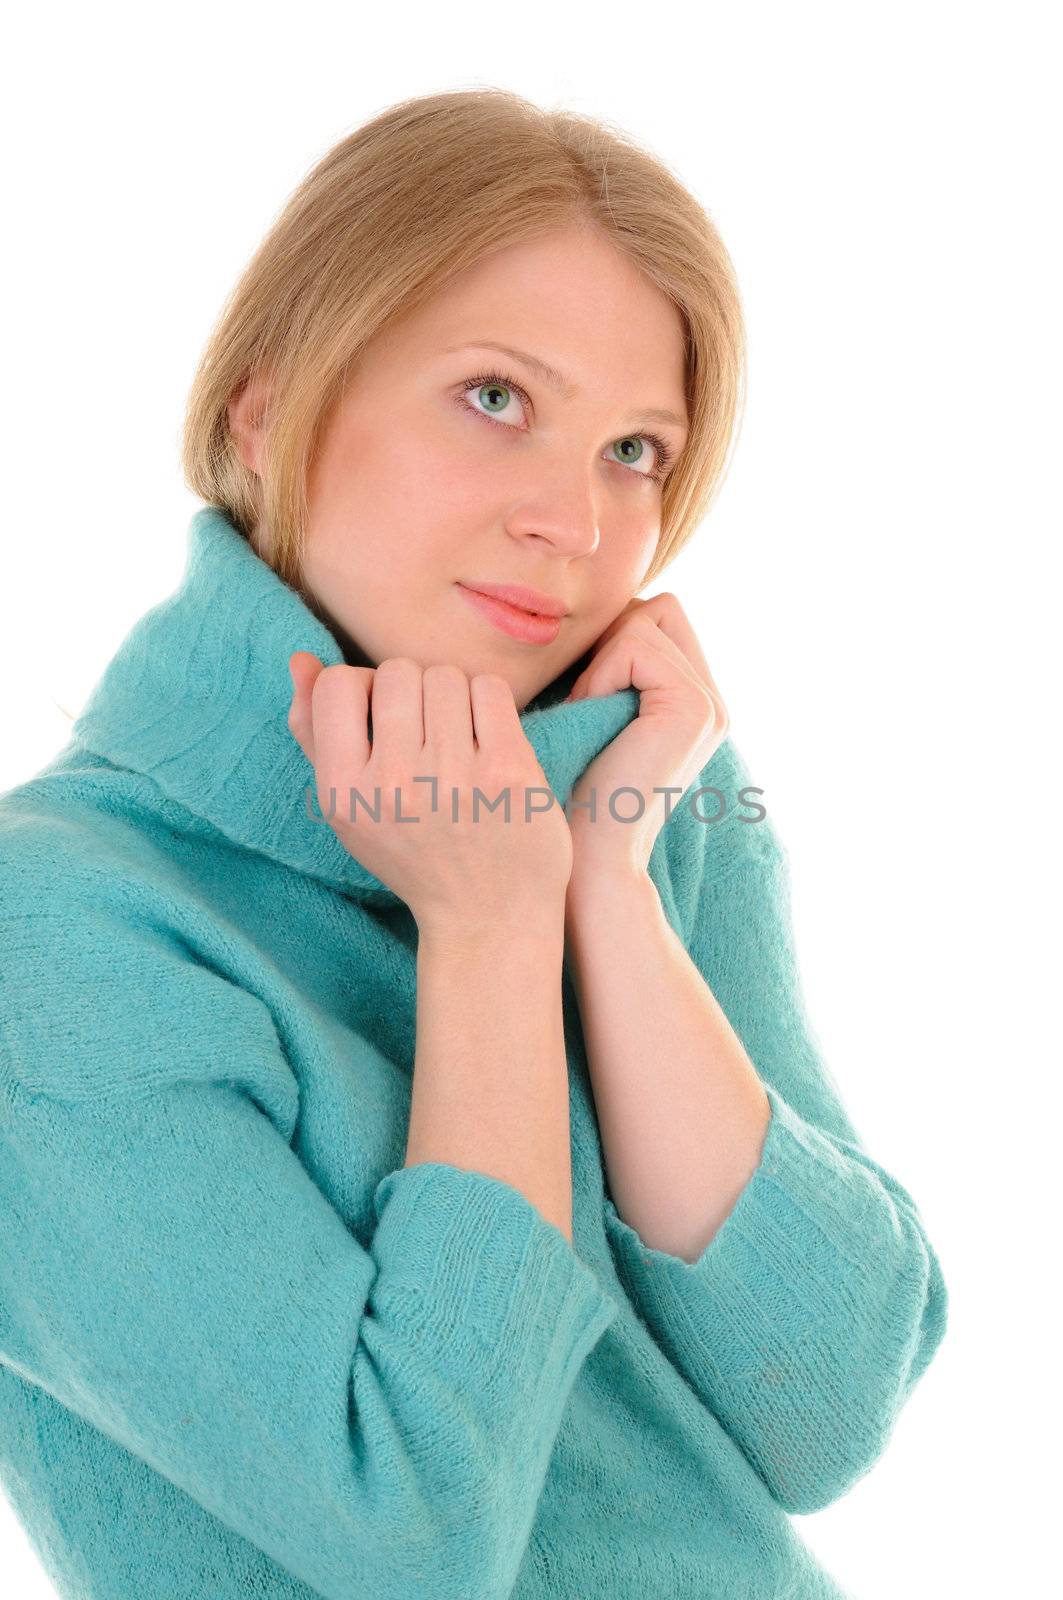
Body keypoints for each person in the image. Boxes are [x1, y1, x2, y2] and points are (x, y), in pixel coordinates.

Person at [0, 88, 948, 1600]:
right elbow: (413, 1536)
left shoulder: (652, 792)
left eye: (635, 449)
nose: (573, 522)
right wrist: (494, 929)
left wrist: (605, 893)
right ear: (269, 403)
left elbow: (825, 1410)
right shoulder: (51, 927)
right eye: (498, 398)